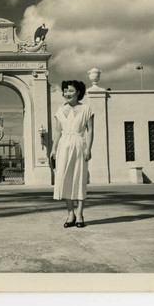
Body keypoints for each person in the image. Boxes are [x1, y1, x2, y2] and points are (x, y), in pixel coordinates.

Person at [50, 80, 94, 228]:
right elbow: (57, 131)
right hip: (63, 146)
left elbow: (90, 130)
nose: (67, 93)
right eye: (65, 91)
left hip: (79, 145)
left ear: (78, 92)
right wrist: (54, 148)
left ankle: (80, 213)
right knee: (64, 179)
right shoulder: (60, 110)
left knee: (79, 179)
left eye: (70, 90)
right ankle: (70, 214)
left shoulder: (86, 109)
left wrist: (88, 148)